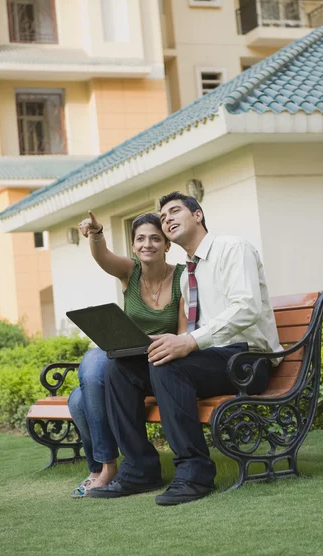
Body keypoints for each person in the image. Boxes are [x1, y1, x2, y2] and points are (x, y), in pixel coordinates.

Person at [90, 192, 283, 505]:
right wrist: (159, 343)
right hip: (213, 359)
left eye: (174, 211)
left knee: (168, 365)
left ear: (197, 215)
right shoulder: (189, 273)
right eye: (163, 217)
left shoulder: (232, 249)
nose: (167, 219)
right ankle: (140, 469)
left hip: (249, 361)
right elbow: (190, 330)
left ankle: (195, 473)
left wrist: (190, 342)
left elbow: (247, 307)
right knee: (120, 368)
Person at [68, 210, 187, 498]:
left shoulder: (182, 277)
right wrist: (96, 233)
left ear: (167, 244)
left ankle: (101, 468)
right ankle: (105, 466)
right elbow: (102, 256)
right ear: (133, 246)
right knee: (80, 394)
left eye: (156, 239)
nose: (148, 244)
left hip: (157, 362)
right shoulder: (130, 272)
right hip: (123, 362)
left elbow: (183, 335)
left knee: (82, 395)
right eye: (141, 239)